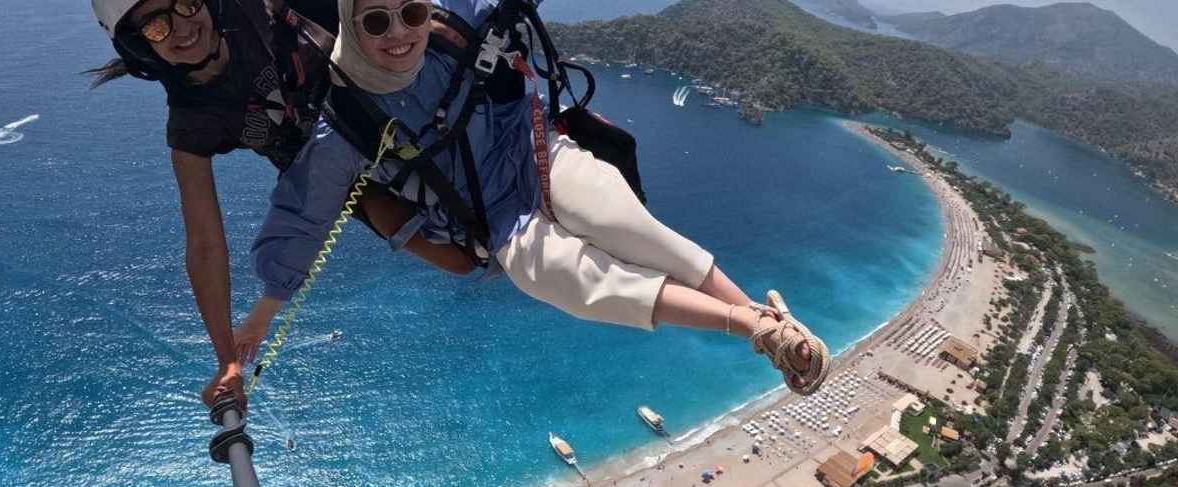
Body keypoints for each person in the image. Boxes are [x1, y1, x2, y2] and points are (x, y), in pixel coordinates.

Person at [242, 0, 832, 393]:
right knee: (574, 283)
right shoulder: (344, 113)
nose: (399, 33)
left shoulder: (455, 23)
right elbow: (303, 218)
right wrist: (256, 326)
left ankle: (766, 326)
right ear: (350, 24)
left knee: (626, 224)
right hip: (491, 219)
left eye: (411, 11)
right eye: (375, 22)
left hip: (533, 149)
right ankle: (757, 327)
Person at [88, 0, 473, 410]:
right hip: (338, 178)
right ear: (139, 46)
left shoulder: (257, 8)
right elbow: (204, 245)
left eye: (186, 3)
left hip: (387, 97)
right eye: (156, 28)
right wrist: (227, 363)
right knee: (461, 259)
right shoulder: (192, 123)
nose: (181, 27)